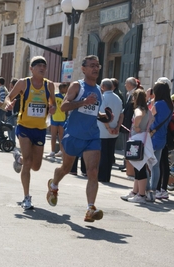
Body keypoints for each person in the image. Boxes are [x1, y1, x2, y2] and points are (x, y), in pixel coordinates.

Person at [46, 55, 111, 222]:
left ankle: (90, 208)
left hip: (92, 136)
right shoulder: (77, 86)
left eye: (97, 65)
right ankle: (54, 184)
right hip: (73, 134)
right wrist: (83, 101)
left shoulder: (98, 90)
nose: (95, 68)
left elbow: (94, 113)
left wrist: (105, 117)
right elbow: (65, 106)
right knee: (66, 169)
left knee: (93, 172)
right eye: (91, 66)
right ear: (83, 69)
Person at [4, 56, 56, 210]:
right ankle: (27, 197)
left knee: (36, 166)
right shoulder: (23, 83)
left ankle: (18, 158)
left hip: (40, 129)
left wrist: (53, 109)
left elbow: (53, 103)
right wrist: (9, 104)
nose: (41, 68)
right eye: (38, 65)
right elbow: (8, 97)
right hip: (24, 126)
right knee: (28, 162)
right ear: (31, 69)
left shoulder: (49, 85)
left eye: (44, 66)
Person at [120, 89, 155, 203]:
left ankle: (141, 194)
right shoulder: (148, 110)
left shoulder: (138, 109)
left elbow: (138, 116)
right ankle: (135, 192)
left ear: (135, 98)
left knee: (140, 169)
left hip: (138, 138)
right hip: (145, 138)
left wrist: (136, 126)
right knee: (139, 167)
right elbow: (152, 119)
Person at [146, 81, 173, 202]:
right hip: (162, 136)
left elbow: (150, 117)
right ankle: (154, 190)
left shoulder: (158, 104)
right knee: (156, 165)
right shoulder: (169, 104)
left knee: (146, 164)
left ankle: (146, 189)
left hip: (152, 136)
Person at [97, 78, 123, 183]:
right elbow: (121, 115)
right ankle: (107, 176)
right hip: (114, 131)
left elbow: (103, 115)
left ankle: (102, 176)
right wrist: (117, 127)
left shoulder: (103, 98)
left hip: (103, 130)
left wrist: (108, 128)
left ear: (103, 87)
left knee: (102, 154)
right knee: (109, 154)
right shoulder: (118, 98)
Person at [119, 77, 139, 178]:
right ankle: (125, 163)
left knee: (128, 144)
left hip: (130, 124)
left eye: (126, 83)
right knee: (125, 143)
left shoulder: (135, 94)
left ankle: (128, 164)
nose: (125, 85)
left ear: (130, 85)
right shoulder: (128, 94)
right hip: (126, 123)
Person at [45, 83, 68, 158]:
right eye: (66, 88)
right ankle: (54, 151)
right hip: (58, 118)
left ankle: (58, 151)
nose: (67, 89)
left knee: (56, 135)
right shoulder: (63, 97)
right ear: (62, 88)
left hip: (58, 118)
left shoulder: (60, 96)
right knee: (57, 135)